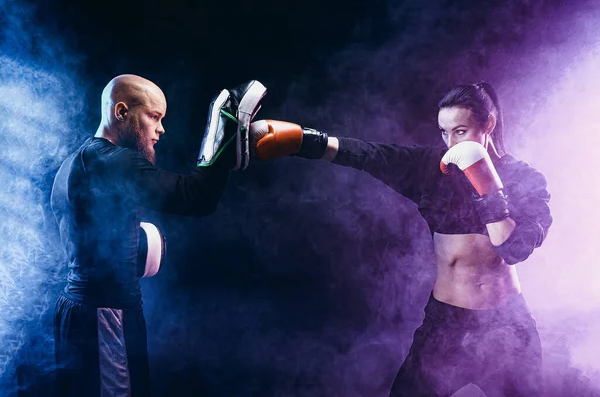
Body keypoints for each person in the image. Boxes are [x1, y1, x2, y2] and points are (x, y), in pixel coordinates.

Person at [248, 82, 552, 396]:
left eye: (460, 131)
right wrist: (305, 141)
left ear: (489, 123)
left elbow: (514, 249)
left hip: (507, 326)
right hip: (447, 324)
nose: (450, 143)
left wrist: (487, 185)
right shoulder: (432, 169)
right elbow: (370, 155)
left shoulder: (525, 180)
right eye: (443, 131)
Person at [50, 74, 266, 396]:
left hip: (81, 312)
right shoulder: (113, 162)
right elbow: (197, 197)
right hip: (106, 317)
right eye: (154, 117)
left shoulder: (78, 161)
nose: (161, 129)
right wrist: (224, 124)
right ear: (121, 113)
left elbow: (92, 245)